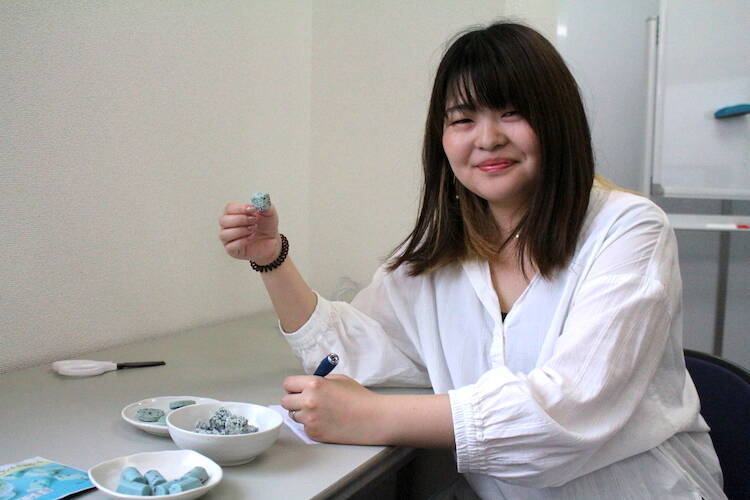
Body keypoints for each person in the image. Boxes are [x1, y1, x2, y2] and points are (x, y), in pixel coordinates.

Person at [218, 21, 725, 499]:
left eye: (511, 112)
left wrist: (372, 417)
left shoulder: (628, 229)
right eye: (463, 119)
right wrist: (272, 259)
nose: (487, 139)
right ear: (441, 139)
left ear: (558, 121)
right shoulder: (440, 252)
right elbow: (358, 350)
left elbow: (569, 411)